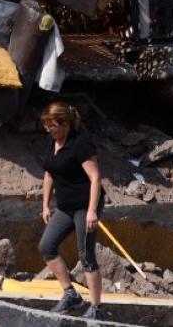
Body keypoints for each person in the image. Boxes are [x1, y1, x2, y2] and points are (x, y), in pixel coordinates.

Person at [38, 101, 106, 320]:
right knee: (47, 246)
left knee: (86, 255)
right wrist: (45, 205)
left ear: (65, 123)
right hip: (65, 207)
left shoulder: (80, 144)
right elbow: (49, 173)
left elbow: (95, 178)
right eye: (46, 125)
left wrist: (92, 211)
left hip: (85, 206)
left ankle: (96, 308)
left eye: (52, 125)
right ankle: (70, 294)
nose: (48, 129)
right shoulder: (52, 142)